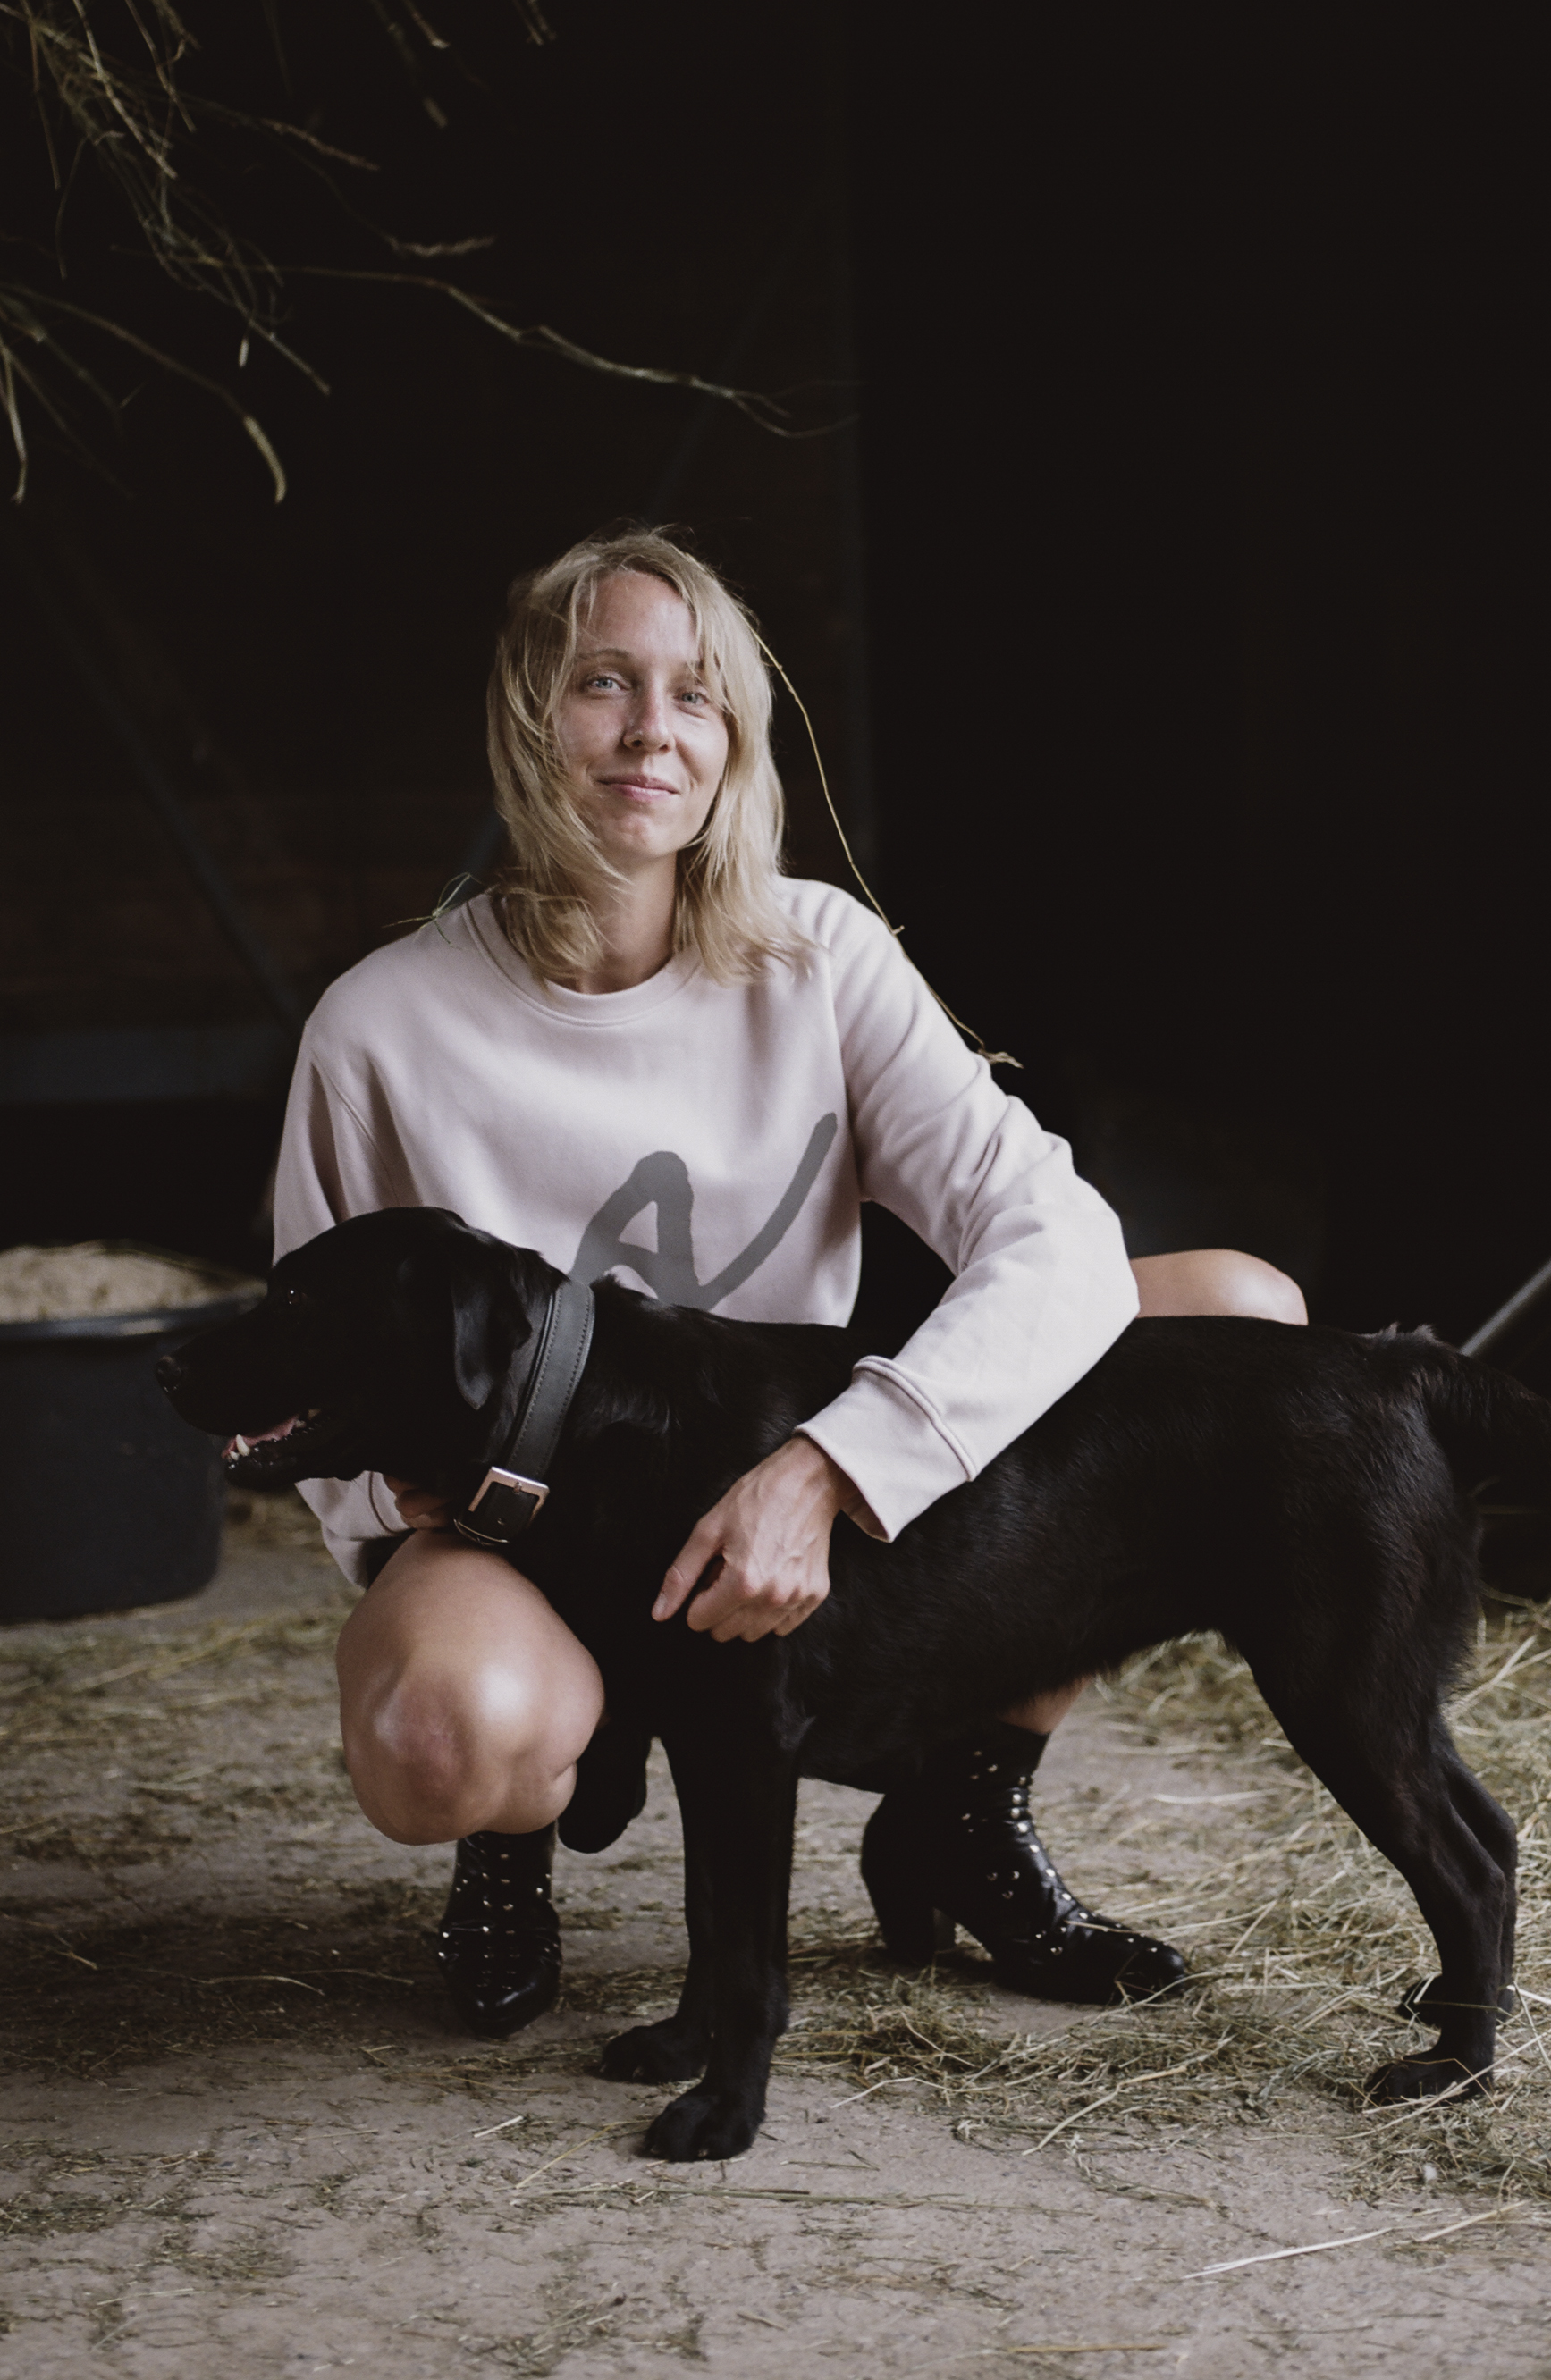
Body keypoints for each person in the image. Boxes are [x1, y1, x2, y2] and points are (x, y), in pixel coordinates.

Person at [274, 529, 1306, 2037]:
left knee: (1241, 1323)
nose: (653, 730)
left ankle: (964, 1806)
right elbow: (311, 1367)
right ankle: (514, 1832)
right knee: (441, 1739)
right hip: (532, 1541)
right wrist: (412, 1487)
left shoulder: (819, 957)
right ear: (525, 715)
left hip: (791, 1489)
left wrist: (836, 1464)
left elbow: (1055, 1233)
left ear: (735, 742)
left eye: (696, 695)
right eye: (605, 683)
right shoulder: (381, 1027)